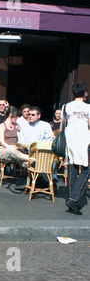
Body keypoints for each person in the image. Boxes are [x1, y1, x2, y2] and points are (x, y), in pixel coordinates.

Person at [62, 82, 90, 215]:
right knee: (86, 169)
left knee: (72, 167)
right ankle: (74, 198)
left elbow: (63, 125)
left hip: (70, 137)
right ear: (85, 93)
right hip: (84, 138)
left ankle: (71, 198)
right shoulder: (88, 107)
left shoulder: (65, 106)